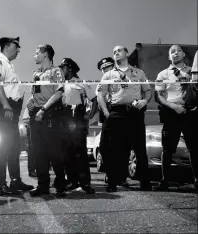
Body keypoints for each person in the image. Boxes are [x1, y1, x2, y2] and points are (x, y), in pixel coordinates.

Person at [97, 45, 152, 192]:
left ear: (126, 53)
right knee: (115, 149)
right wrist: (106, 113)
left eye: (119, 51)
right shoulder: (108, 75)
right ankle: (113, 182)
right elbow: (100, 95)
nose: (116, 53)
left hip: (135, 113)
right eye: (114, 52)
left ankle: (145, 182)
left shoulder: (139, 73)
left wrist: (145, 101)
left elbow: (147, 91)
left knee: (139, 148)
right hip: (117, 113)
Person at [0, 37, 34, 196]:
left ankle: (15, 181)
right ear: (7, 46)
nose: (18, 50)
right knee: (3, 147)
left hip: (11, 109)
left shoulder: (8, 64)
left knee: (14, 146)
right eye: (16, 46)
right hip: (3, 107)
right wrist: (6, 105)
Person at [155, 45, 198, 191]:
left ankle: (197, 181)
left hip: (190, 113)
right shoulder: (162, 74)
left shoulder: (193, 72)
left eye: (179, 50)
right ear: (169, 57)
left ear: (184, 54)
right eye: (172, 52)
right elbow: (159, 96)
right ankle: (164, 181)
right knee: (168, 149)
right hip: (171, 113)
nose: (176, 53)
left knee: (194, 148)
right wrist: (174, 107)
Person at [27, 44, 67, 197]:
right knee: (38, 152)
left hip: (50, 114)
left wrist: (43, 109)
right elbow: (35, 94)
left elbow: (59, 92)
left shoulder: (56, 71)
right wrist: (30, 104)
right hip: (36, 115)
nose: (34, 55)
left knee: (54, 152)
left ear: (45, 55)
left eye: (37, 53)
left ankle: (61, 185)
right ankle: (43, 185)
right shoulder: (36, 74)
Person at [59, 58, 96, 194]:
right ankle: (72, 182)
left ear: (69, 68)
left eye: (62, 68)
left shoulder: (82, 83)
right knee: (67, 153)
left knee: (80, 153)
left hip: (78, 117)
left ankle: (85, 183)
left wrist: (90, 115)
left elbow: (94, 99)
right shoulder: (60, 84)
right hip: (64, 117)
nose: (60, 71)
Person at [96, 57, 129, 187]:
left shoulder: (120, 79)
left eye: (108, 67)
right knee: (105, 147)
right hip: (107, 117)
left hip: (120, 114)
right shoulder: (102, 83)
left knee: (122, 147)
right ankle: (110, 174)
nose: (105, 70)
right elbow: (98, 99)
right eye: (103, 69)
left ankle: (121, 177)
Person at [22, 108, 36, 177]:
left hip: (41, 127)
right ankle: (31, 170)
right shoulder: (31, 102)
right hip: (32, 127)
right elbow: (25, 119)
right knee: (32, 149)